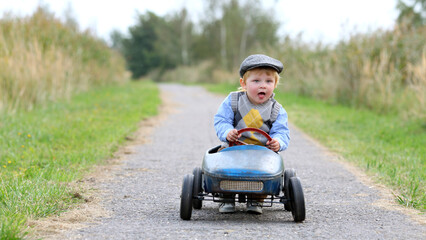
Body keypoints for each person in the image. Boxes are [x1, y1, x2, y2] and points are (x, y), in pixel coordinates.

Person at [214, 54, 290, 214]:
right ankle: (226, 197)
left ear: (275, 84)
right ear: (244, 83)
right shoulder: (233, 101)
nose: (263, 86)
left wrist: (278, 141)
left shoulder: (277, 110)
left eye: (268, 81)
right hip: (234, 148)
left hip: (262, 152)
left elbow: (282, 132)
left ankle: (257, 199)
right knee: (222, 164)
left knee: (265, 171)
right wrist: (228, 132)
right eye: (256, 81)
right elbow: (221, 120)